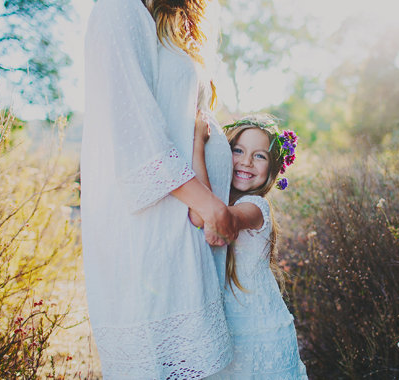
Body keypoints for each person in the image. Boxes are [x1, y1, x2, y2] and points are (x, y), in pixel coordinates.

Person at [81, 0, 238, 378]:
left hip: (184, 228)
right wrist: (210, 206)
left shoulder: (159, 18)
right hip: (150, 232)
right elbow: (133, 128)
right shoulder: (118, 8)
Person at [189, 114, 309, 379]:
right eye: (238, 150)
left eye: (260, 156)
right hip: (222, 331)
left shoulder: (256, 208)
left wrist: (197, 142)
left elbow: (208, 218)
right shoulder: (221, 198)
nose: (246, 161)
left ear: (273, 168)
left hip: (259, 333)